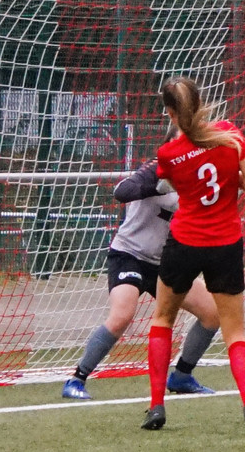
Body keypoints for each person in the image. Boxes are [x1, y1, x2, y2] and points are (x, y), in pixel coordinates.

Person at [142, 76, 245, 434]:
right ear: (201, 102)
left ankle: (157, 406)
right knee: (235, 332)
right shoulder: (229, 135)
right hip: (225, 244)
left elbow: (174, 182)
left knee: (162, 320)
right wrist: (226, 177)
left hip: (185, 242)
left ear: (170, 113)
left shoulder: (168, 154)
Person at [62, 154, 220, 401]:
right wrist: (156, 186)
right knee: (122, 315)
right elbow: (122, 191)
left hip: (165, 263)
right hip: (129, 255)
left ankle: (182, 376)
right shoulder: (156, 169)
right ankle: (77, 379)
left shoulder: (200, 178)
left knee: (212, 314)